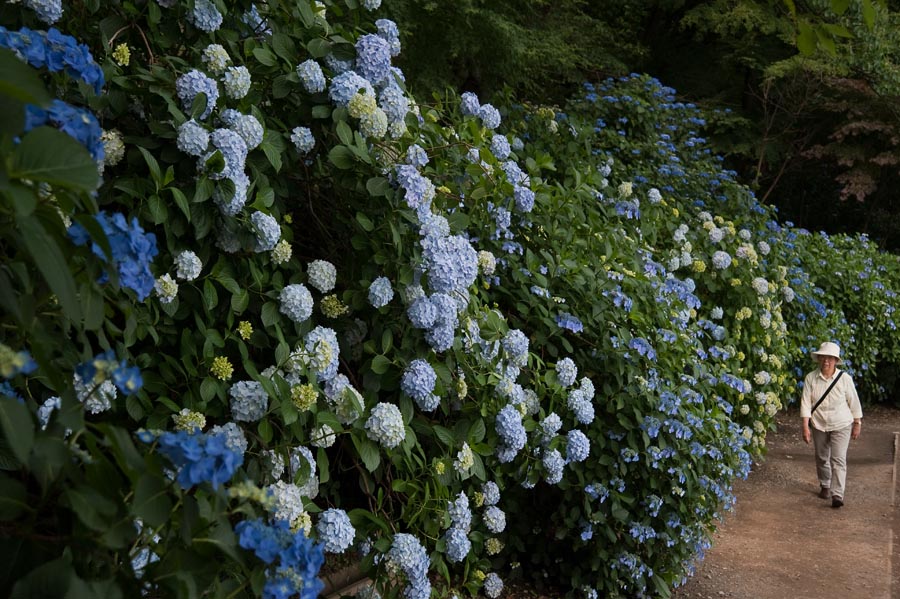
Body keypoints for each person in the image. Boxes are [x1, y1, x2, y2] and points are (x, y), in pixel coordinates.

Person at [800, 341, 863, 508]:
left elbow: (853, 401)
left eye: (830, 358)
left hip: (841, 423)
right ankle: (825, 485)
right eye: (823, 357)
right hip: (819, 423)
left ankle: (837, 494)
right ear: (819, 359)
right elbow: (806, 403)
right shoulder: (811, 378)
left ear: (836, 361)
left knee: (838, 459)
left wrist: (857, 422)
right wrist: (805, 426)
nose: (826, 361)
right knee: (821, 457)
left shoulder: (844, 379)